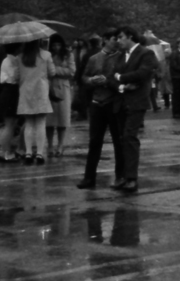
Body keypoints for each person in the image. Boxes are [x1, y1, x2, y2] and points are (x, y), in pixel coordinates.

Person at [75, 29, 125, 188]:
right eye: (113, 38)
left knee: (119, 142)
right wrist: (91, 80)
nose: (116, 41)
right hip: (97, 103)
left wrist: (108, 81)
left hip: (113, 103)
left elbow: (123, 79)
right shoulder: (93, 59)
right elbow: (83, 77)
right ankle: (89, 177)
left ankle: (120, 177)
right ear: (105, 40)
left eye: (118, 38)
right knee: (94, 142)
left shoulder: (121, 58)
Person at [111, 26, 156, 192]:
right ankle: (121, 176)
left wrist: (120, 77)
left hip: (137, 102)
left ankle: (131, 178)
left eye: (121, 37)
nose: (118, 40)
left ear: (130, 37)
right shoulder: (121, 56)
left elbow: (143, 74)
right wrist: (122, 86)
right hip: (121, 101)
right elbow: (112, 76)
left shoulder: (145, 53)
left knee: (130, 137)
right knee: (121, 139)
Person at [45, 34, 75, 159]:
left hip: (63, 88)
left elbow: (71, 72)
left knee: (63, 120)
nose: (56, 47)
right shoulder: (46, 55)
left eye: (58, 45)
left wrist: (54, 70)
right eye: (54, 45)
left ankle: (61, 145)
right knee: (49, 121)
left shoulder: (68, 55)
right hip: (49, 88)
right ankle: (50, 145)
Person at [0, 42, 22, 163]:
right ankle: (5, 152)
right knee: (10, 125)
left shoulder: (5, 59)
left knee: (10, 125)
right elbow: (15, 77)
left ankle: (5, 151)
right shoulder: (13, 60)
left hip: (7, 92)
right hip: (12, 91)